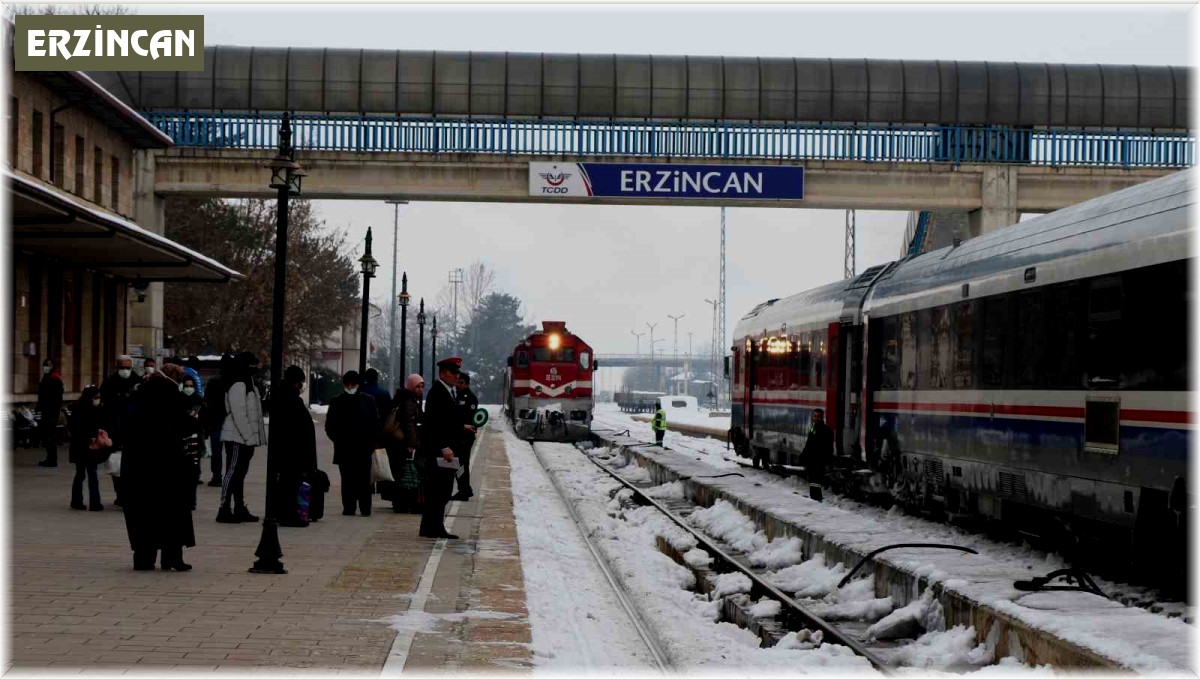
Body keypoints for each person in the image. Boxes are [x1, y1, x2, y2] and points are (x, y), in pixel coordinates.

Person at [122, 363, 196, 571]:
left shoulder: (139, 393)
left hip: (138, 464)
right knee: (172, 510)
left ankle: (143, 557)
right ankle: (171, 557)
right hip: (168, 464)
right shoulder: (172, 395)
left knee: (143, 511)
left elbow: (125, 421)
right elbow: (184, 424)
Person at [420, 357, 474, 539]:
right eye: (453, 373)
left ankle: (431, 526)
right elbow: (434, 423)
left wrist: (462, 427)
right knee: (438, 490)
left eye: (458, 373)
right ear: (443, 373)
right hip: (441, 451)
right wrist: (444, 446)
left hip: (447, 449)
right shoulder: (437, 392)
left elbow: (448, 420)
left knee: (442, 489)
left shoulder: (449, 391)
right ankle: (433, 527)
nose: (456, 376)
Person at [217, 352, 266, 524]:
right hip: (237, 437)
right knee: (232, 472)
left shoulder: (248, 381)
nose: (255, 368)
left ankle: (239, 507)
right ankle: (224, 508)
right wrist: (248, 437)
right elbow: (239, 413)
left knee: (240, 473)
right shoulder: (238, 383)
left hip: (245, 438)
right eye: (252, 364)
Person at [325, 370, 379, 517]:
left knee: (364, 480)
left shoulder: (369, 401)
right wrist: (338, 439)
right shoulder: (337, 401)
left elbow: (375, 423)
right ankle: (349, 507)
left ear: (358, 384)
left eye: (353, 384)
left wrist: (372, 442)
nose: (350, 386)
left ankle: (365, 507)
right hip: (345, 448)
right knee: (347, 480)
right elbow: (329, 426)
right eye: (347, 384)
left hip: (364, 448)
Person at [273, 366, 318, 527]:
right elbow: (297, 429)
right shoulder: (290, 400)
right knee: (290, 483)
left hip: (288, 451)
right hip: (293, 452)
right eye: (300, 383)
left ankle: (284, 513)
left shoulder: (284, 397)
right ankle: (289, 515)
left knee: (287, 483)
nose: (302, 386)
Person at [100, 355, 141, 505]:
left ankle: (130, 492)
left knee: (132, 465)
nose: (125, 371)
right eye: (122, 368)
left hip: (134, 430)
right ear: (117, 368)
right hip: (115, 430)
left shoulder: (138, 382)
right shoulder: (109, 383)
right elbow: (106, 405)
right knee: (116, 464)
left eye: (128, 368)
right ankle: (120, 493)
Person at [385, 374, 424, 513]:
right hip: (403, 444)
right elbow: (409, 425)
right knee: (406, 474)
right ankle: (404, 502)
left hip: (396, 443)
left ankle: (399, 502)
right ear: (411, 386)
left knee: (399, 473)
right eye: (417, 386)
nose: (420, 389)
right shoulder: (409, 402)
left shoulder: (402, 398)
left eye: (422, 386)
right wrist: (412, 444)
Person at [68, 386, 110, 511]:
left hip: (81, 446)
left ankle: (79, 501)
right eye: (96, 397)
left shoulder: (80, 408)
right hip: (87, 445)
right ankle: (93, 502)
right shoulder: (90, 410)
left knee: (82, 474)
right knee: (90, 474)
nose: (98, 400)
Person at [203, 354, 231, 486]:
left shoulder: (214, 381)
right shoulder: (234, 382)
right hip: (231, 420)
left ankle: (217, 476)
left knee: (217, 450)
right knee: (231, 452)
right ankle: (229, 477)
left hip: (216, 419)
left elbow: (207, 401)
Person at [180, 375, 207, 509]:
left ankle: (192, 501)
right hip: (181, 440)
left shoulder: (199, 401)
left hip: (195, 441)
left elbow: (204, 421)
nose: (189, 388)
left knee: (194, 472)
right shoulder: (178, 400)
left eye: (191, 386)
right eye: (186, 386)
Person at [451, 372, 479, 501]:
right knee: (458, 463)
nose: (458, 385)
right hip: (458, 435)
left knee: (462, 464)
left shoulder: (470, 397)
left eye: (461, 383)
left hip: (465, 437)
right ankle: (465, 488)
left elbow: (471, 418)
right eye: (457, 382)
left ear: (467, 383)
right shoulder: (456, 396)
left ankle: (464, 490)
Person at [36, 358, 64, 467]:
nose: (46, 367)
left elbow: (56, 399)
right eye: (45, 364)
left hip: (51, 412)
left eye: (48, 365)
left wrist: (53, 413)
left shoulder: (55, 379)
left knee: (50, 436)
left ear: (53, 366)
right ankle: (50, 457)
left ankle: (52, 459)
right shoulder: (46, 378)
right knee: (46, 435)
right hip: (45, 411)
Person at [798, 408, 835, 485]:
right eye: (814, 416)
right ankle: (814, 497)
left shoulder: (826, 430)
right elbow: (808, 445)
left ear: (822, 417)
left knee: (816, 484)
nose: (816, 418)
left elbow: (829, 448)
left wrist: (828, 463)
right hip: (812, 462)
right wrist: (803, 459)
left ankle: (816, 497)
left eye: (818, 416)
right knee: (813, 485)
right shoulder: (813, 429)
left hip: (820, 463)